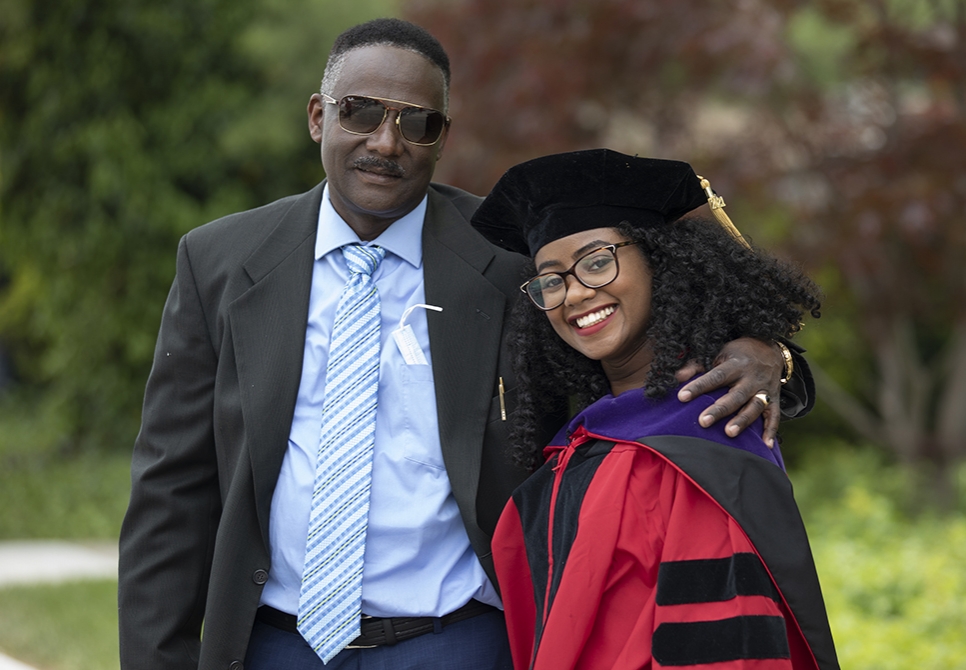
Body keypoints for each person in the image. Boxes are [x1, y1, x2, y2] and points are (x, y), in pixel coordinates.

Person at [118, 19, 816, 670]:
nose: (387, 143)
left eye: (416, 123)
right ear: (317, 115)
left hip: (459, 642)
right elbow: (173, 492)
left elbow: (645, 336)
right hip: (275, 643)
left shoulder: (512, 261)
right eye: (361, 111)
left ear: (442, 137)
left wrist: (767, 354)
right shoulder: (220, 262)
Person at [471, 149, 839, 669]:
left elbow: (723, 649)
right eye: (552, 280)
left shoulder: (704, 439)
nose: (576, 292)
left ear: (660, 261)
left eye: (598, 261)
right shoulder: (580, 446)